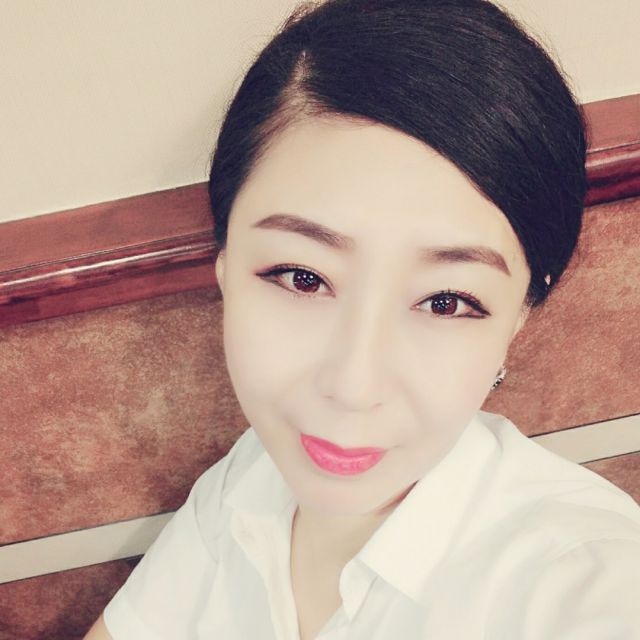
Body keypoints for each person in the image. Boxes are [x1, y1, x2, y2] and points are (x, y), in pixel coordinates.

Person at [85, 0, 640, 638]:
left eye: (445, 301)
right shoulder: (253, 476)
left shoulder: (582, 581)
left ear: (520, 315)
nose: (353, 388)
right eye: (303, 277)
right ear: (225, 264)